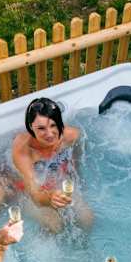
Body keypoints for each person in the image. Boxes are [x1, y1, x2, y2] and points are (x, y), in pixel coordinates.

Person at [12, 97, 93, 233]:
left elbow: (77, 156)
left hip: (57, 180)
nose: (49, 134)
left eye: (53, 125)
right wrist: (49, 198)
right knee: (55, 223)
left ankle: (83, 245)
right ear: (31, 127)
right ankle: (45, 240)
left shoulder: (71, 136)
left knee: (87, 219)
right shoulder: (24, 150)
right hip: (26, 190)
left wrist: (76, 175)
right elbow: (35, 195)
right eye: (41, 128)